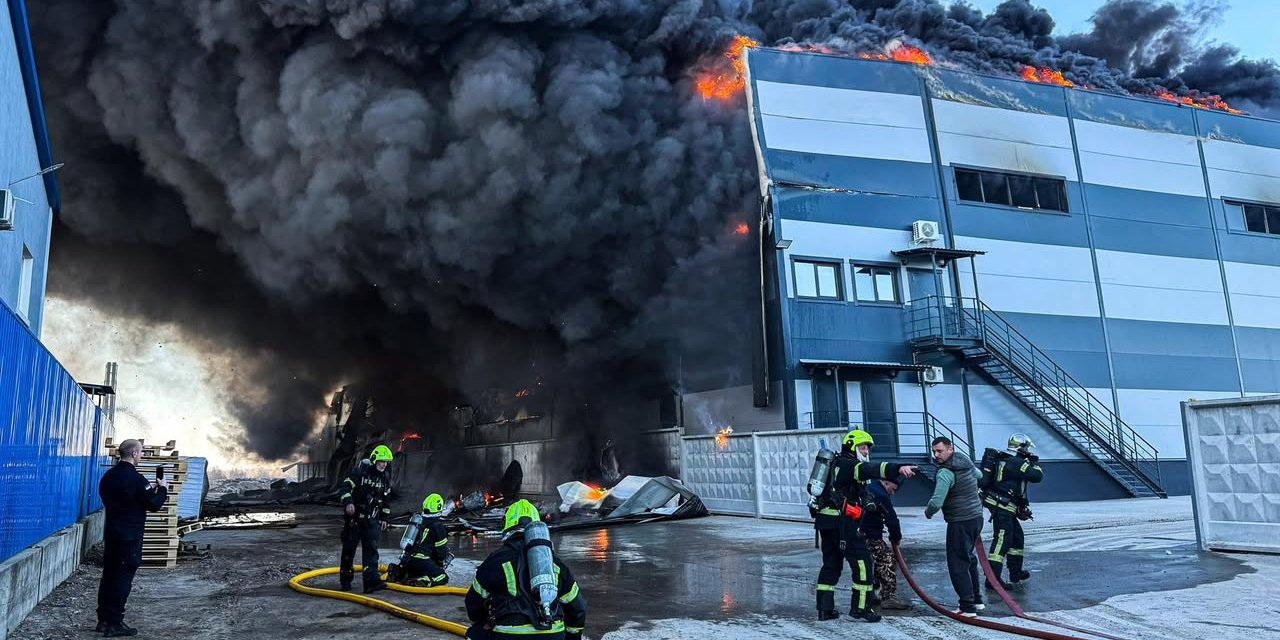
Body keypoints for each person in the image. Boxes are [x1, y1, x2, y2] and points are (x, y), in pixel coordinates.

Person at [812, 429, 917, 623]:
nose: (867, 452)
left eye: (868, 448)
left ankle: (825, 610)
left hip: (826, 522)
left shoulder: (836, 463)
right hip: (843, 524)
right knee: (863, 565)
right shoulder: (851, 465)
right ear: (852, 446)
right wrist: (898, 468)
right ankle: (860, 608)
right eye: (863, 447)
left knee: (831, 565)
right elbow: (872, 469)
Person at [464, 500, 586, 640]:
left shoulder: (496, 560)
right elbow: (578, 606)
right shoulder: (553, 563)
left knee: (475, 633)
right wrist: (572, 636)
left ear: (507, 524)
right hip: (552, 635)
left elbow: (473, 601)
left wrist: (482, 622)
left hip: (509, 635)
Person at [97, 439, 168, 638]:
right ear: (135, 454)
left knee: (109, 576)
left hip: (112, 534)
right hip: (129, 538)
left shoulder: (108, 477)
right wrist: (162, 488)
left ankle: (103, 620)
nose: (142, 455)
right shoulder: (136, 479)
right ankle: (114, 623)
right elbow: (154, 504)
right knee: (122, 578)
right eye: (141, 452)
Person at [924, 436, 985, 617]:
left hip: (960, 520)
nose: (936, 455)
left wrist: (928, 513)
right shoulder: (965, 463)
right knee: (969, 558)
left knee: (958, 562)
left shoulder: (945, 472)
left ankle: (967, 607)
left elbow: (936, 502)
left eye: (940, 451)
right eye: (934, 451)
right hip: (976, 517)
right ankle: (977, 600)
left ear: (950, 449)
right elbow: (980, 476)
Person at [981, 433, 1044, 588]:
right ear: (1021, 448)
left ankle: (1015, 573)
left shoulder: (1005, 459)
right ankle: (992, 579)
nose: (1029, 450)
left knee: (1016, 538)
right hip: (1002, 506)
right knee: (1002, 540)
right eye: (1027, 448)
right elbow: (1037, 476)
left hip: (1002, 504)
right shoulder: (1016, 463)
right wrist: (1034, 462)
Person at [339, 444, 394, 593]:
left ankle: (370, 583)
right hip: (355, 521)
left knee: (371, 553)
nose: (384, 464)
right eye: (382, 461)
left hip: (372, 521)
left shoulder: (384, 478)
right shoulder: (359, 473)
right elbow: (344, 488)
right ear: (374, 459)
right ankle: (345, 582)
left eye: (386, 461)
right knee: (348, 551)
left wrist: (385, 518)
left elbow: (386, 499)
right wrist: (348, 502)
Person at [861, 479, 910, 611]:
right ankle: (888, 597)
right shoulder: (881, 495)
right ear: (886, 483)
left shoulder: (870, 487)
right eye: (892, 489)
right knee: (886, 560)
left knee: (869, 563)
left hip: (859, 534)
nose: (892, 493)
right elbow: (891, 519)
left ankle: (873, 593)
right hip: (870, 535)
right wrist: (896, 537)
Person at [396, 493, 454, 587]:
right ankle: (421, 581)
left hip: (408, 559)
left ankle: (398, 573)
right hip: (422, 560)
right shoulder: (438, 526)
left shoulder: (419, 521)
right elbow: (441, 552)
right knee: (442, 577)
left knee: (416, 570)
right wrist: (440, 564)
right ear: (438, 507)